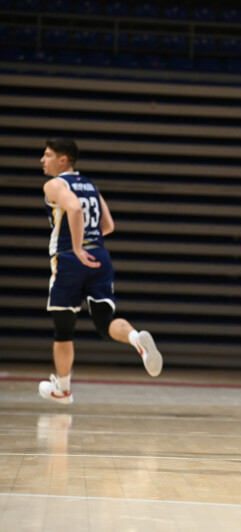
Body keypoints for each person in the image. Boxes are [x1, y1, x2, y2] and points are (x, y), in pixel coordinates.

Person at [38, 138, 163, 405]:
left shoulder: (55, 184)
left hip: (70, 258)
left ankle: (63, 389)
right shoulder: (90, 185)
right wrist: (89, 242)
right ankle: (135, 338)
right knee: (105, 322)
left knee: (63, 328)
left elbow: (73, 208)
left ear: (63, 160)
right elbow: (108, 225)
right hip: (100, 255)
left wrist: (77, 247)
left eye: (47, 155)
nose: (42, 160)